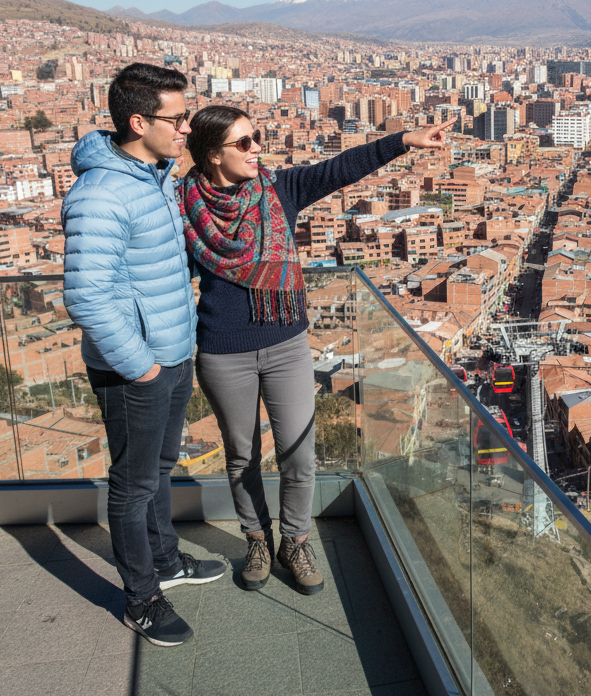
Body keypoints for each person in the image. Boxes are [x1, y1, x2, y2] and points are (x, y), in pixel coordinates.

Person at [179, 105, 454, 594]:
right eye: (244, 143)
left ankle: (295, 540)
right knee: (241, 457)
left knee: (298, 454)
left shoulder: (277, 190)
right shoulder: (181, 207)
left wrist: (405, 139)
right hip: (223, 351)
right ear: (212, 155)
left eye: (256, 137)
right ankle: (256, 540)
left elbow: (340, 168)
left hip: (285, 343)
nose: (257, 148)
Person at [63, 63, 226, 648]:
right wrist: (142, 365)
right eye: (177, 118)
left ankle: (166, 562)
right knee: (132, 487)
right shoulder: (102, 193)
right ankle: (142, 599)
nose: (186, 128)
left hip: (171, 355)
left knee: (158, 471)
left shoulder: (151, 175)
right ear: (139, 121)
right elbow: (87, 294)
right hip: (136, 369)